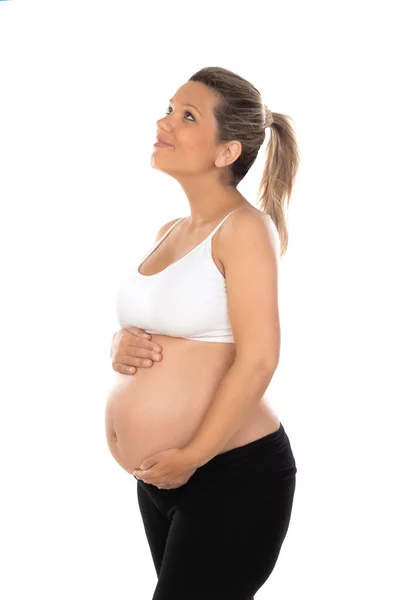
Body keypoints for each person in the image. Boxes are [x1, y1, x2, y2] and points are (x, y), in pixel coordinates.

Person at [110, 66, 300, 600]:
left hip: (229, 474)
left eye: (186, 115)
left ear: (226, 152)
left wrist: (192, 455)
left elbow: (260, 358)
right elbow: (160, 333)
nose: (164, 122)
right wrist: (120, 346)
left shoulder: (243, 229)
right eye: (169, 108)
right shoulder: (170, 231)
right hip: (160, 478)